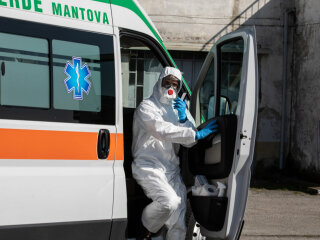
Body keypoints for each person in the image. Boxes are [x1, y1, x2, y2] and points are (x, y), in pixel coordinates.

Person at [132, 67, 219, 240]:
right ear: (159, 83)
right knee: (169, 202)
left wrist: (184, 119)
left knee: (179, 224)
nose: (170, 87)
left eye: (175, 84)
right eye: (167, 82)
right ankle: (144, 229)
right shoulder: (146, 107)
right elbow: (161, 130)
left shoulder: (179, 108)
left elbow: (191, 140)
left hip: (171, 170)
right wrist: (193, 133)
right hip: (149, 166)